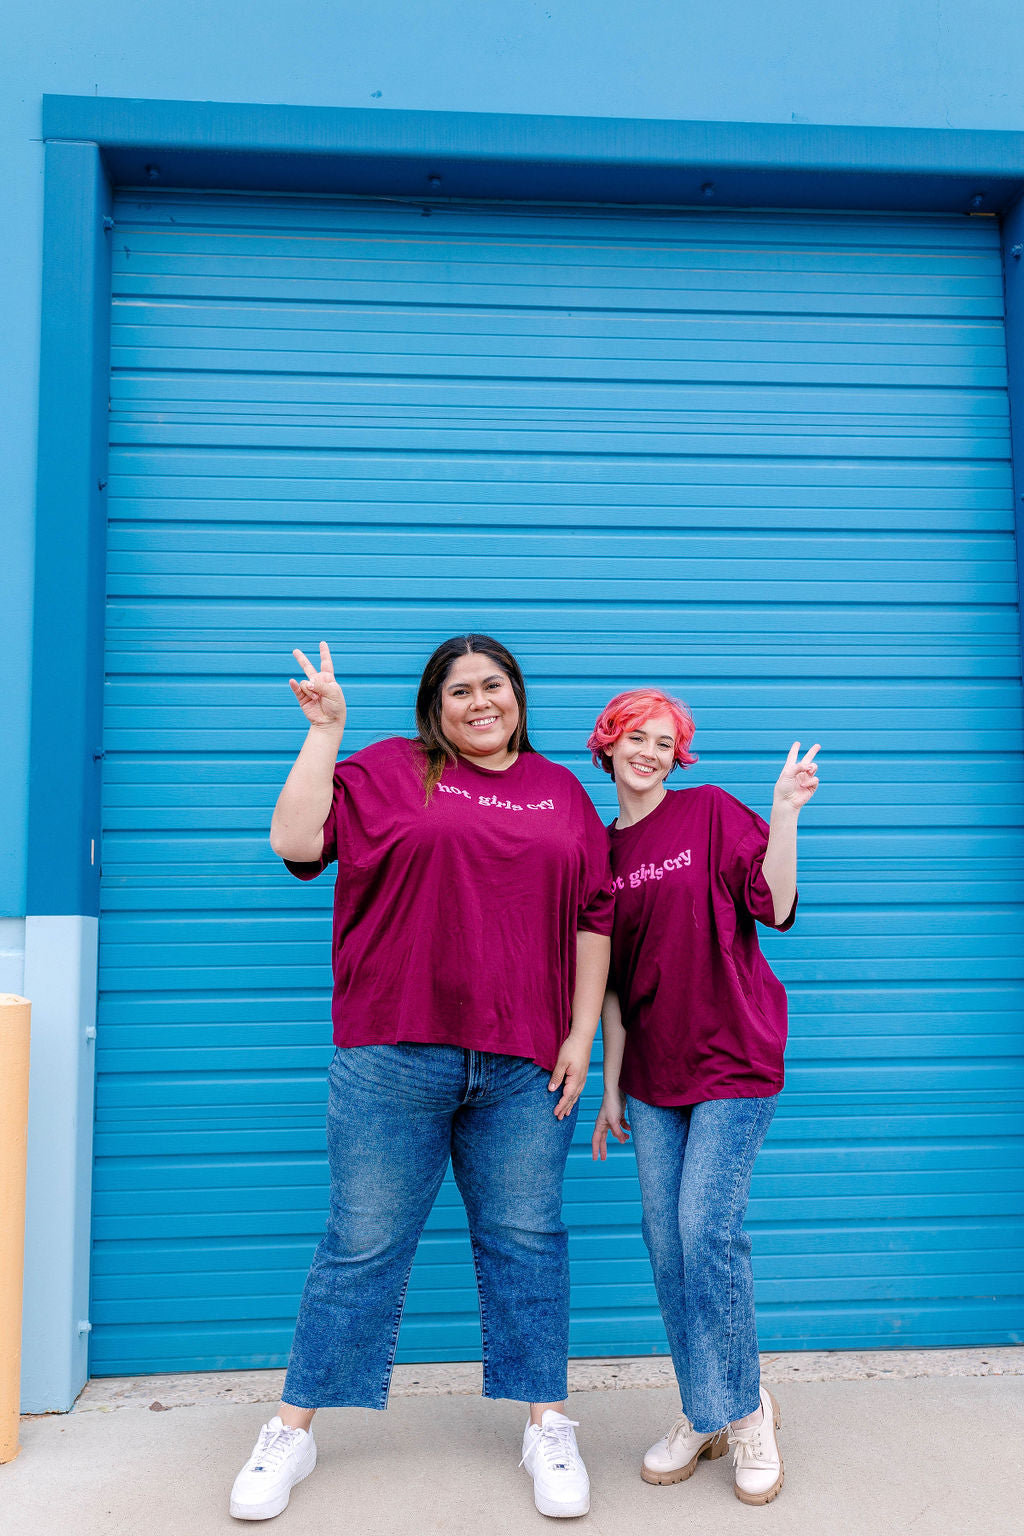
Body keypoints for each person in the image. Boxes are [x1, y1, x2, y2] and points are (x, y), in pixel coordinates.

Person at [229, 635, 612, 1522]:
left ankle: (546, 1423)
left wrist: (583, 1037)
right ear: (433, 707)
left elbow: (595, 920)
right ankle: (293, 1429)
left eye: (495, 686)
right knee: (360, 1245)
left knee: (528, 1242)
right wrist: (325, 732)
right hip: (393, 1050)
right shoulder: (388, 771)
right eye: (459, 691)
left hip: (523, 1061)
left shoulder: (561, 794)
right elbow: (293, 840)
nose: (480, 702)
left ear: (517, 694)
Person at [589, 688, 819, 1507]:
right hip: (653, 1077)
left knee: (705, 1232)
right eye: (634, 737)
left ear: (676, 756)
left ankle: (745, 1410)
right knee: (665, 1243)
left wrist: (784, 813)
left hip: (733, 1058)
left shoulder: (714, 813)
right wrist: (610, 1087)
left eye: (664, 741)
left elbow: (777, 904)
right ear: (607, 747)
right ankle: (706, 1408)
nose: (649, 752)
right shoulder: (598, 854)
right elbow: (609, 987)